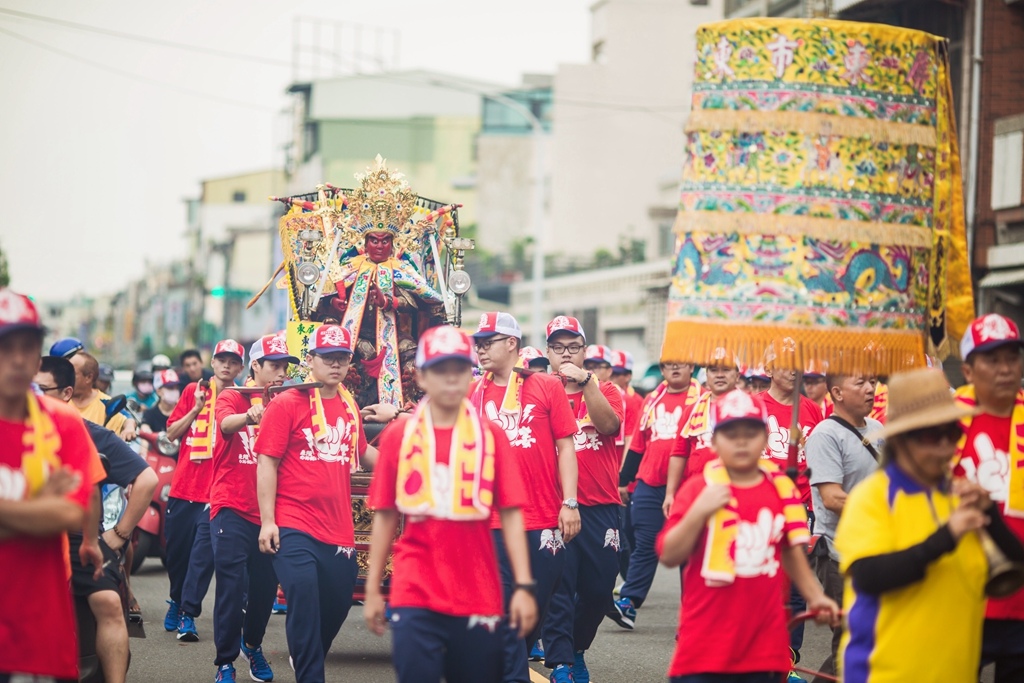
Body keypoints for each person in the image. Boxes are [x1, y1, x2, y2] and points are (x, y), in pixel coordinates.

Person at [364, 325, 539, 683]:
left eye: (459, 369)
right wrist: (371, 590)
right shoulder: (400, 436)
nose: (450, 379)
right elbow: (384, 514)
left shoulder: (491, 436)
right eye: (440, 370)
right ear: (421, 376)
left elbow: (510, 515)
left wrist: (523, 587)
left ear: (470, 374)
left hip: (479, 590)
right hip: (415, 587)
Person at [835, 367, 1024, 681]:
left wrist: (989, 514)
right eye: (931, 436)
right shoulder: (873, 496)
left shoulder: (957, 495)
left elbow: (1017, 561)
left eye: (952, 434)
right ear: (900, 440)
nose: (946, 448)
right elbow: (869, 577)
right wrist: (947, 536)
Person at [657, 389, 839, 683]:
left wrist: (816, 596)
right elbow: (668, 554)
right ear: (714, 440)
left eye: (751, 432)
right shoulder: (698, 488)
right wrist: (698, 512)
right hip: (704, 647)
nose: (741, 441)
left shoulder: (781, 488)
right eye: (731, 433)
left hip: (764, 647)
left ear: (765, 438)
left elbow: (792, 550)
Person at [255, 324, 379, 683]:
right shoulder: (286, 404)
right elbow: (267, 462)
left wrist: (404, 469)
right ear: (310, 360)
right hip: (293, 524)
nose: (336, 365)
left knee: (339, 601)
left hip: (338, 528)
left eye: (342, 358)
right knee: (304, 598)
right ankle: (311, 674)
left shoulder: (349, 404)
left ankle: (307, 654)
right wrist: (268, 521)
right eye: (328, 358)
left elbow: (362, 451)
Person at [469, 312, 580, 683]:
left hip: (544, 517)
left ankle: (508, 659)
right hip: (492, 522)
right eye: (478, 343)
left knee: (538, 603)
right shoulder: (473, 392)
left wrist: (570, 502)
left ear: (512, 344)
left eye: (489, 341)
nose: (481, 349)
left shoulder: (546, 386)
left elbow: (566, 447)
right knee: (503, 608)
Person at [35, 355, 158, 683]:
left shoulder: (87, 434)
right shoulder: (13, 427)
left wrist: (117, 534)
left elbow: (146, 480)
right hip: (26, 537)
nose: (32, 396)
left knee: (108, 602)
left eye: (41, 389)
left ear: (66, 393)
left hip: (79, 538)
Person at [0, 289, 98, 683]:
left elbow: (70, 512)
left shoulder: (62, 424)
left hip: (38, 631)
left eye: (29, 346)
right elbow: (51, 511)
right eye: (7, 346)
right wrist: (38, 503)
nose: (19, 359)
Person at [209, 334, 298, 683]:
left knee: (264, 591)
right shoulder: (234, 395)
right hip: (230, 506)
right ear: (255, 366)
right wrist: (248, 415)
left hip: (270, 516)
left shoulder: (289, 399)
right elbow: (224, 424)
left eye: (284, 366)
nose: (279, 372)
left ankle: (252, 645)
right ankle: (225, 662)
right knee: (231, 589)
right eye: (273, 365)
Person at [541, 316, 623, 683]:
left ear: (584, 351)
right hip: (555, 506)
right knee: (559, 587)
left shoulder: (606, 391)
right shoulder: (541, 392)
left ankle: (576, 647)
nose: (565, 354)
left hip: (602, 507)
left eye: (573, 346)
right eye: (558, 348)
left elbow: (608, 426)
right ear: (548, 353)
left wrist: (586, 381)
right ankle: (561, 661)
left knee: (598, 589)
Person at [954, 313, 1024, 682]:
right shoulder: (941, 425)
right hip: (961, 597)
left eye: (1012, 358)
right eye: (992, 360)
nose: (1005, 369)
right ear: (968, 370)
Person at [610, 359, 701, 631]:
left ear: (691, 369)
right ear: (661, 370)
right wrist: (624, 480)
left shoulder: (702, 400)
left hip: (689, 483)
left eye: (681, 365)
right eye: (668, 365)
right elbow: (637, 443)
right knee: (645, 541)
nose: (675, 369)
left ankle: (693, 613)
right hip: (649, 481)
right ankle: (628, 602)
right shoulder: (652, 398)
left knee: (691, 549)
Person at [163, 339, 244, 641]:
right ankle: (176, 598)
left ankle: (187, 613)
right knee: (177, 555)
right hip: (184, 487)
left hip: (217, 492)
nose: (226, 366)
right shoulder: (193, 392)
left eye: (233, 361)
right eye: (221, 360)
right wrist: (196, 408)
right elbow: (171, 433)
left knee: (202, 558)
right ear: (212, 363)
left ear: (240, 367)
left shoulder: (241, 399)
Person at [804, 371, 882, 678]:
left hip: (877, 549)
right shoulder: (824, 435)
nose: (870, 388)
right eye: (860, 382)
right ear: (836, 392)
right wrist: (885, 513)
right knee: (851, 638)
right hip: (839, 553)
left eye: (872, 381)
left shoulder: (877, 428)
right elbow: (833, 498)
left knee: (867, 636)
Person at [664, 353, 741, 516]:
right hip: (696, 493)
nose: (719, 375)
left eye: (726, 369)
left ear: (737, 374)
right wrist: (670, 494)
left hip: (735, 493)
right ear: (706, 375)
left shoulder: (749, 408)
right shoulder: (692, 410)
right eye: (713, 370)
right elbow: (679, 453)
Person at [69, 350, 136, 441]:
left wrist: (129, 428)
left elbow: (127, 419)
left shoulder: (106, 403)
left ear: (89, 377)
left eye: (72, 373)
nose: (66, 376)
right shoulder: (59, 399)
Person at [141, 369, 185, 434]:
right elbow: (145, 432)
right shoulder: (150, 414)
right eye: (170, 388)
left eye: (177, 388)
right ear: (159, 391)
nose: (175, 391)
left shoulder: (184, 412)